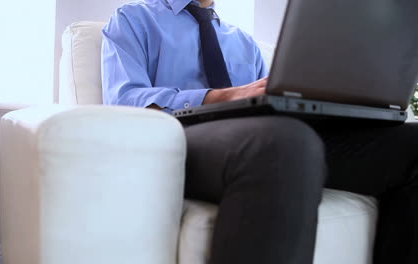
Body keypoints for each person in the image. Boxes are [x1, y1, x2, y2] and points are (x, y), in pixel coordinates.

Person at [101, 0, 418, 263]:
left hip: (267, 139)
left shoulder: (243, 43)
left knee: (411, 142)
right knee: (284, 143)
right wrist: (223, 96)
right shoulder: (133, 18)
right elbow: (124, 99)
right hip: (182, 139)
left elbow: (275, 105)